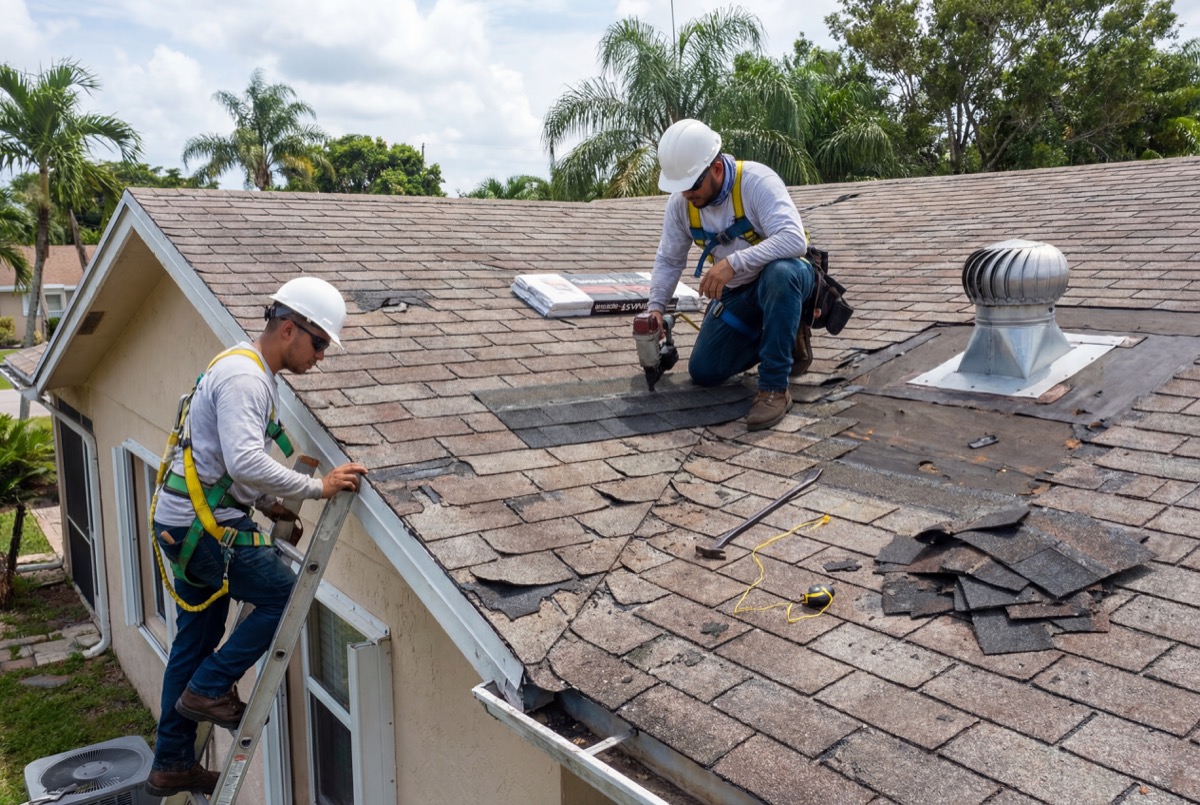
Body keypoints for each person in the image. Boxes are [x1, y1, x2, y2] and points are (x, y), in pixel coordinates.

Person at [145, 277, 368, 797]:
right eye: (318, 344)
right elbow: (247, 458)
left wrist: (265, 501)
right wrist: (318, 487)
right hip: (204, 528)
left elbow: (227, 463)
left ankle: (171, 762)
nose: (320, 357)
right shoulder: (247, 379)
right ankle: (209, 689)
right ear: (288, 329)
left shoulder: (241, 366)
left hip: (188, 523)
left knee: (194, 642)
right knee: (287, 597)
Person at [647, 118, 816, 431]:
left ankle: (775, 389)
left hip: (786, 279)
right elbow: (670, 260)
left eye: (693, 185)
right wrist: (655, 309)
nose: (686, 194)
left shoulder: (755, 181)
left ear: (716, 169)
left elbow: (795, 240)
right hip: (740, 294)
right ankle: (783, 333)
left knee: (780, 274)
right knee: (705, 371)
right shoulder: (681, 205)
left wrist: (733, 263)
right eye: (680, 188)